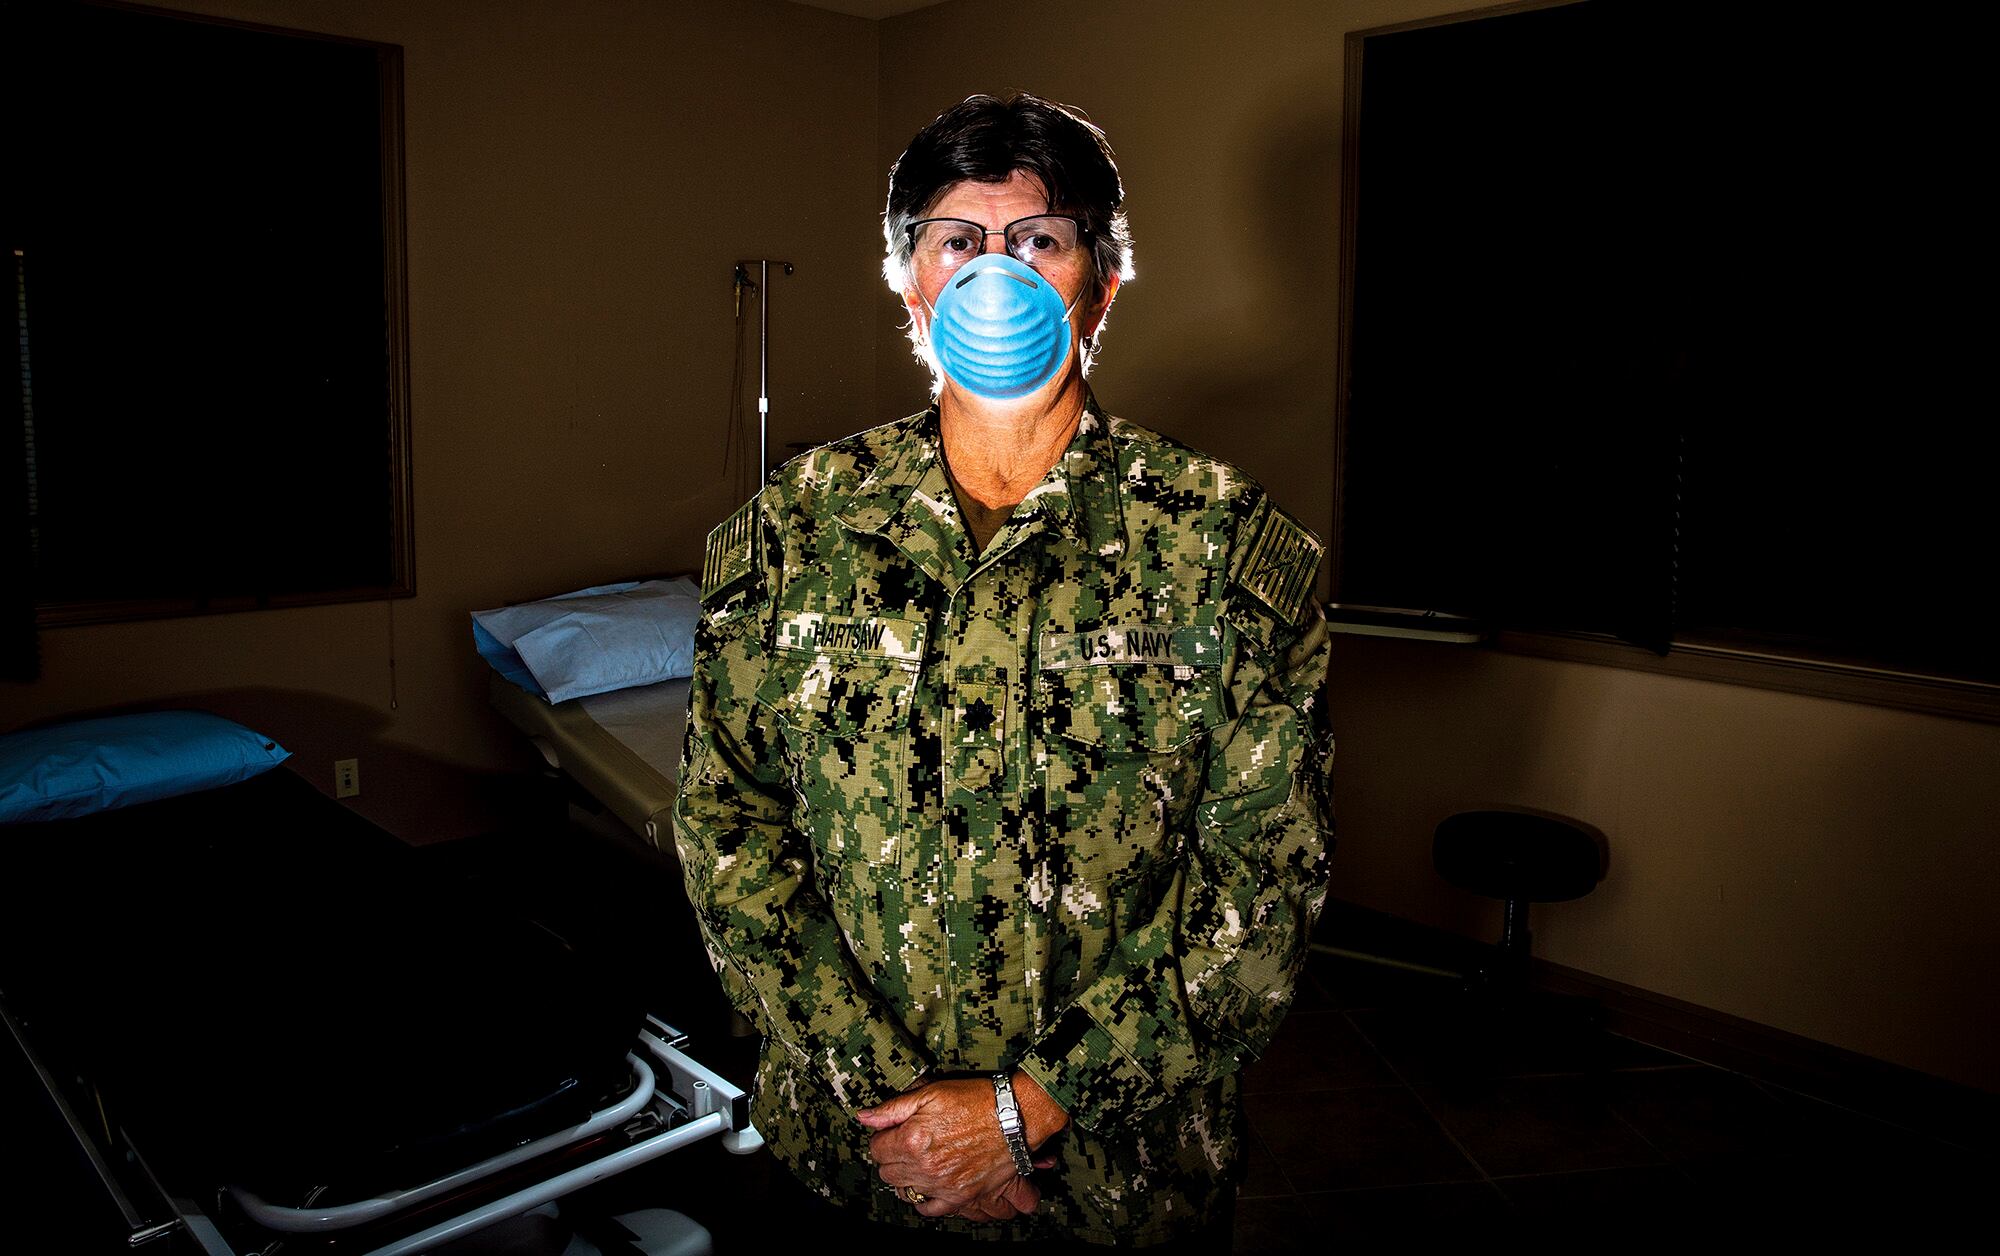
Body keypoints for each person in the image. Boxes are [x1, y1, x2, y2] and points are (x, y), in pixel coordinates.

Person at [673, 92, 1333, 1249]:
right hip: (850, 1164)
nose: (996, 273)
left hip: (1118, 1185)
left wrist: (1028, 1109)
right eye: (956, 240)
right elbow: (728, 826)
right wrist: (906, 1115)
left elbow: (1263, 878)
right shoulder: (797, 527)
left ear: (1101, 282)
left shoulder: (1216, 542)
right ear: (907, 281)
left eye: (1039, 238)